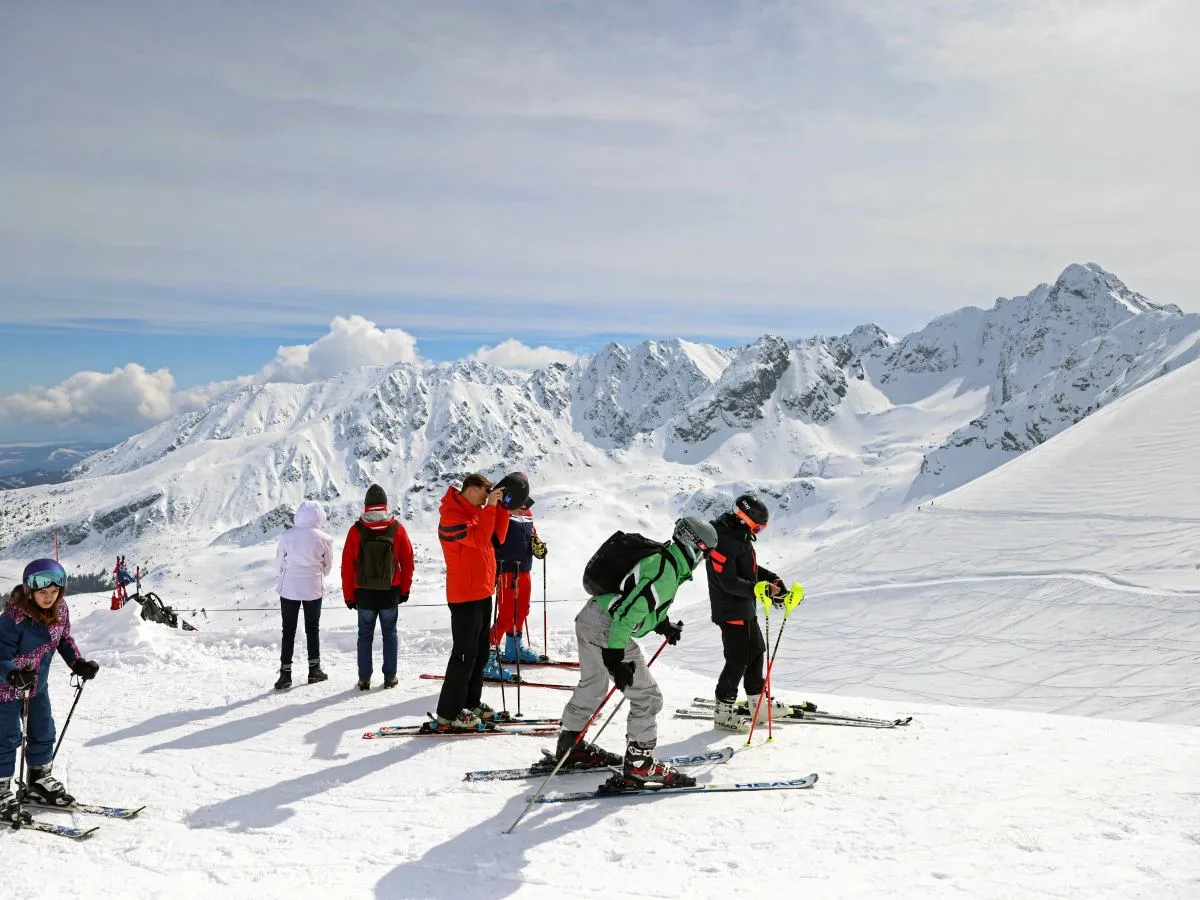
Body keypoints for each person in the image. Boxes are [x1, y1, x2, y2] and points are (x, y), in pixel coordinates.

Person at [554, 516, 718, 789]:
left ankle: (570, 744)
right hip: (608, 629)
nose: (704, 560)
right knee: (648, 697)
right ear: (695, 545)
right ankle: (640, 766)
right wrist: (615, 656)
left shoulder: (663, 559)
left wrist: (662, 624)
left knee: (593, 684)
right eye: (705, 553)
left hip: (590, 617)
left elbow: (635, 598)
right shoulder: (666, 571)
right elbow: (627, 615)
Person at [1, 559, 100, 822]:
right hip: (6, 688)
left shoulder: (61, 609)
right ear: (29, 590)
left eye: (55, 592)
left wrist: (77, 662)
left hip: (36, 686)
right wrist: (13, 673)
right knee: (7, 737)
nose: (49, 597)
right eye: (43, 592)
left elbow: (64, 639)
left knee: (44, 731)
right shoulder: (13, 618)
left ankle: (39, 780)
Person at [430, 473, 510, 731]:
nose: (486, 499)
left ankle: (471, 703)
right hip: (464, 596)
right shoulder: (451, 516)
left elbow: (496, 537)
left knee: (480, 653)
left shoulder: (476, 513)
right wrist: (490, 509)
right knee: (463, 656)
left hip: (483, 592)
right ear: (471, 489)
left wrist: (503, 509)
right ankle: (447, 713)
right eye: (485, 494)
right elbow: (478, 540)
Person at [706, 493, 790, 732]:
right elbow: (728, 581)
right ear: (744, 518)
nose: (758, 532)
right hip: (730, 609)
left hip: (745, 607)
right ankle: (723, 711)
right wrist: (760, 588)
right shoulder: (721, 540)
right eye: (758, 527)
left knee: (756, 652)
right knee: (738, 659)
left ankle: (758, 704)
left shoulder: (739, 536)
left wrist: (770, 578)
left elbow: (748, 568)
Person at [341, 484, 414, 691]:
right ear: (385, 505)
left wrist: (349, 595)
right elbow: (408, 561)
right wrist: (405, 589)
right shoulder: (397, 528)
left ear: (366, 506)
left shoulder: (356, 531)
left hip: (363, 593)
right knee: (389, 634)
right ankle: (390, 677)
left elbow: (347, 566)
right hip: (390, 591)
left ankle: (364, 679)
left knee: (364, 636)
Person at [274, 500, 334, 690]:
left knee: (288, 631)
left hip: (289, 588)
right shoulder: (325, 539)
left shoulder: (287, 536)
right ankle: (314, 670)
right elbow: (328, 568)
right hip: (313, 588)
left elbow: (279, 563)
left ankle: (285, 674)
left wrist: (289, 572)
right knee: (312, 628)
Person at [491, 497, 548, 665]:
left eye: (526, 505)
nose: (525, 509)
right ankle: (488, 651)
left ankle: (513, 649)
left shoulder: (528, 514)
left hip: (524, 570)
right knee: (506, 614)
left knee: (522, 610)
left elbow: (531, 535)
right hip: (506, 571)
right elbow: (493, 538)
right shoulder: (501, 512)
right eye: (522, 506)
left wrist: (537, 545)